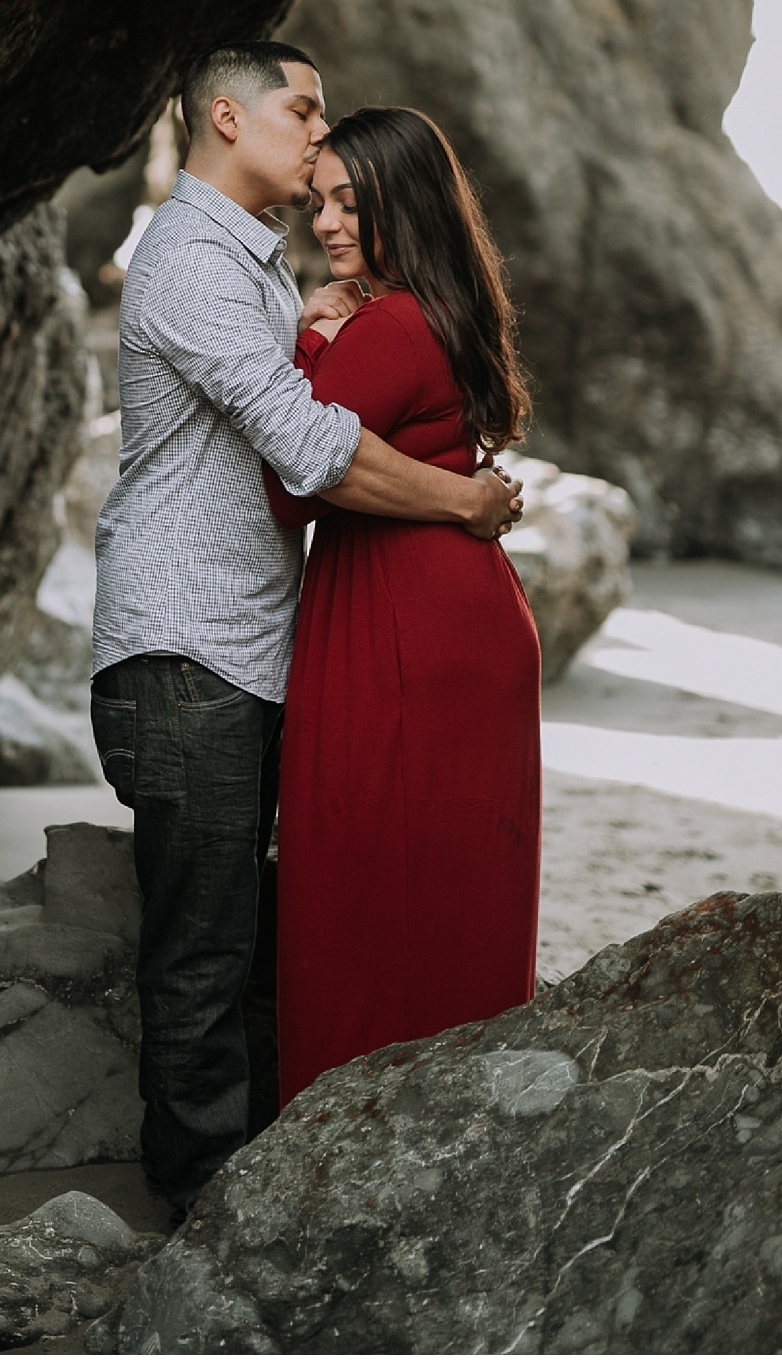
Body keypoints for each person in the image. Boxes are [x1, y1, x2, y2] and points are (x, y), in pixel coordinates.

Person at [90, 44, 524, 1219]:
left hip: (252, 645)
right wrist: (465, 500)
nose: (318, 132)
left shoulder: (260, 271)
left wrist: (317, 320)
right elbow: (309, 448)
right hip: (187, 647)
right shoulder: (190, 261)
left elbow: (317, 399)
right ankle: (202, 1203)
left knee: (260, 932)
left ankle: (272, 1170)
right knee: (205, 948)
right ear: (227, 116)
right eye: (303, 108)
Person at [264, 106, 542, 1108]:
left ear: (401, 201)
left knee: (364, 880)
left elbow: (295, 481)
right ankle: (452, 1115)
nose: (327, 222)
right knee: (453, 888)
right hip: (457, 615)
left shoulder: (386, 323)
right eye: (320, 200)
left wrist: (310, 338)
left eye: (351, 200)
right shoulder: (444, 306)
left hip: (401, 628)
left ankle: (348, 1125)